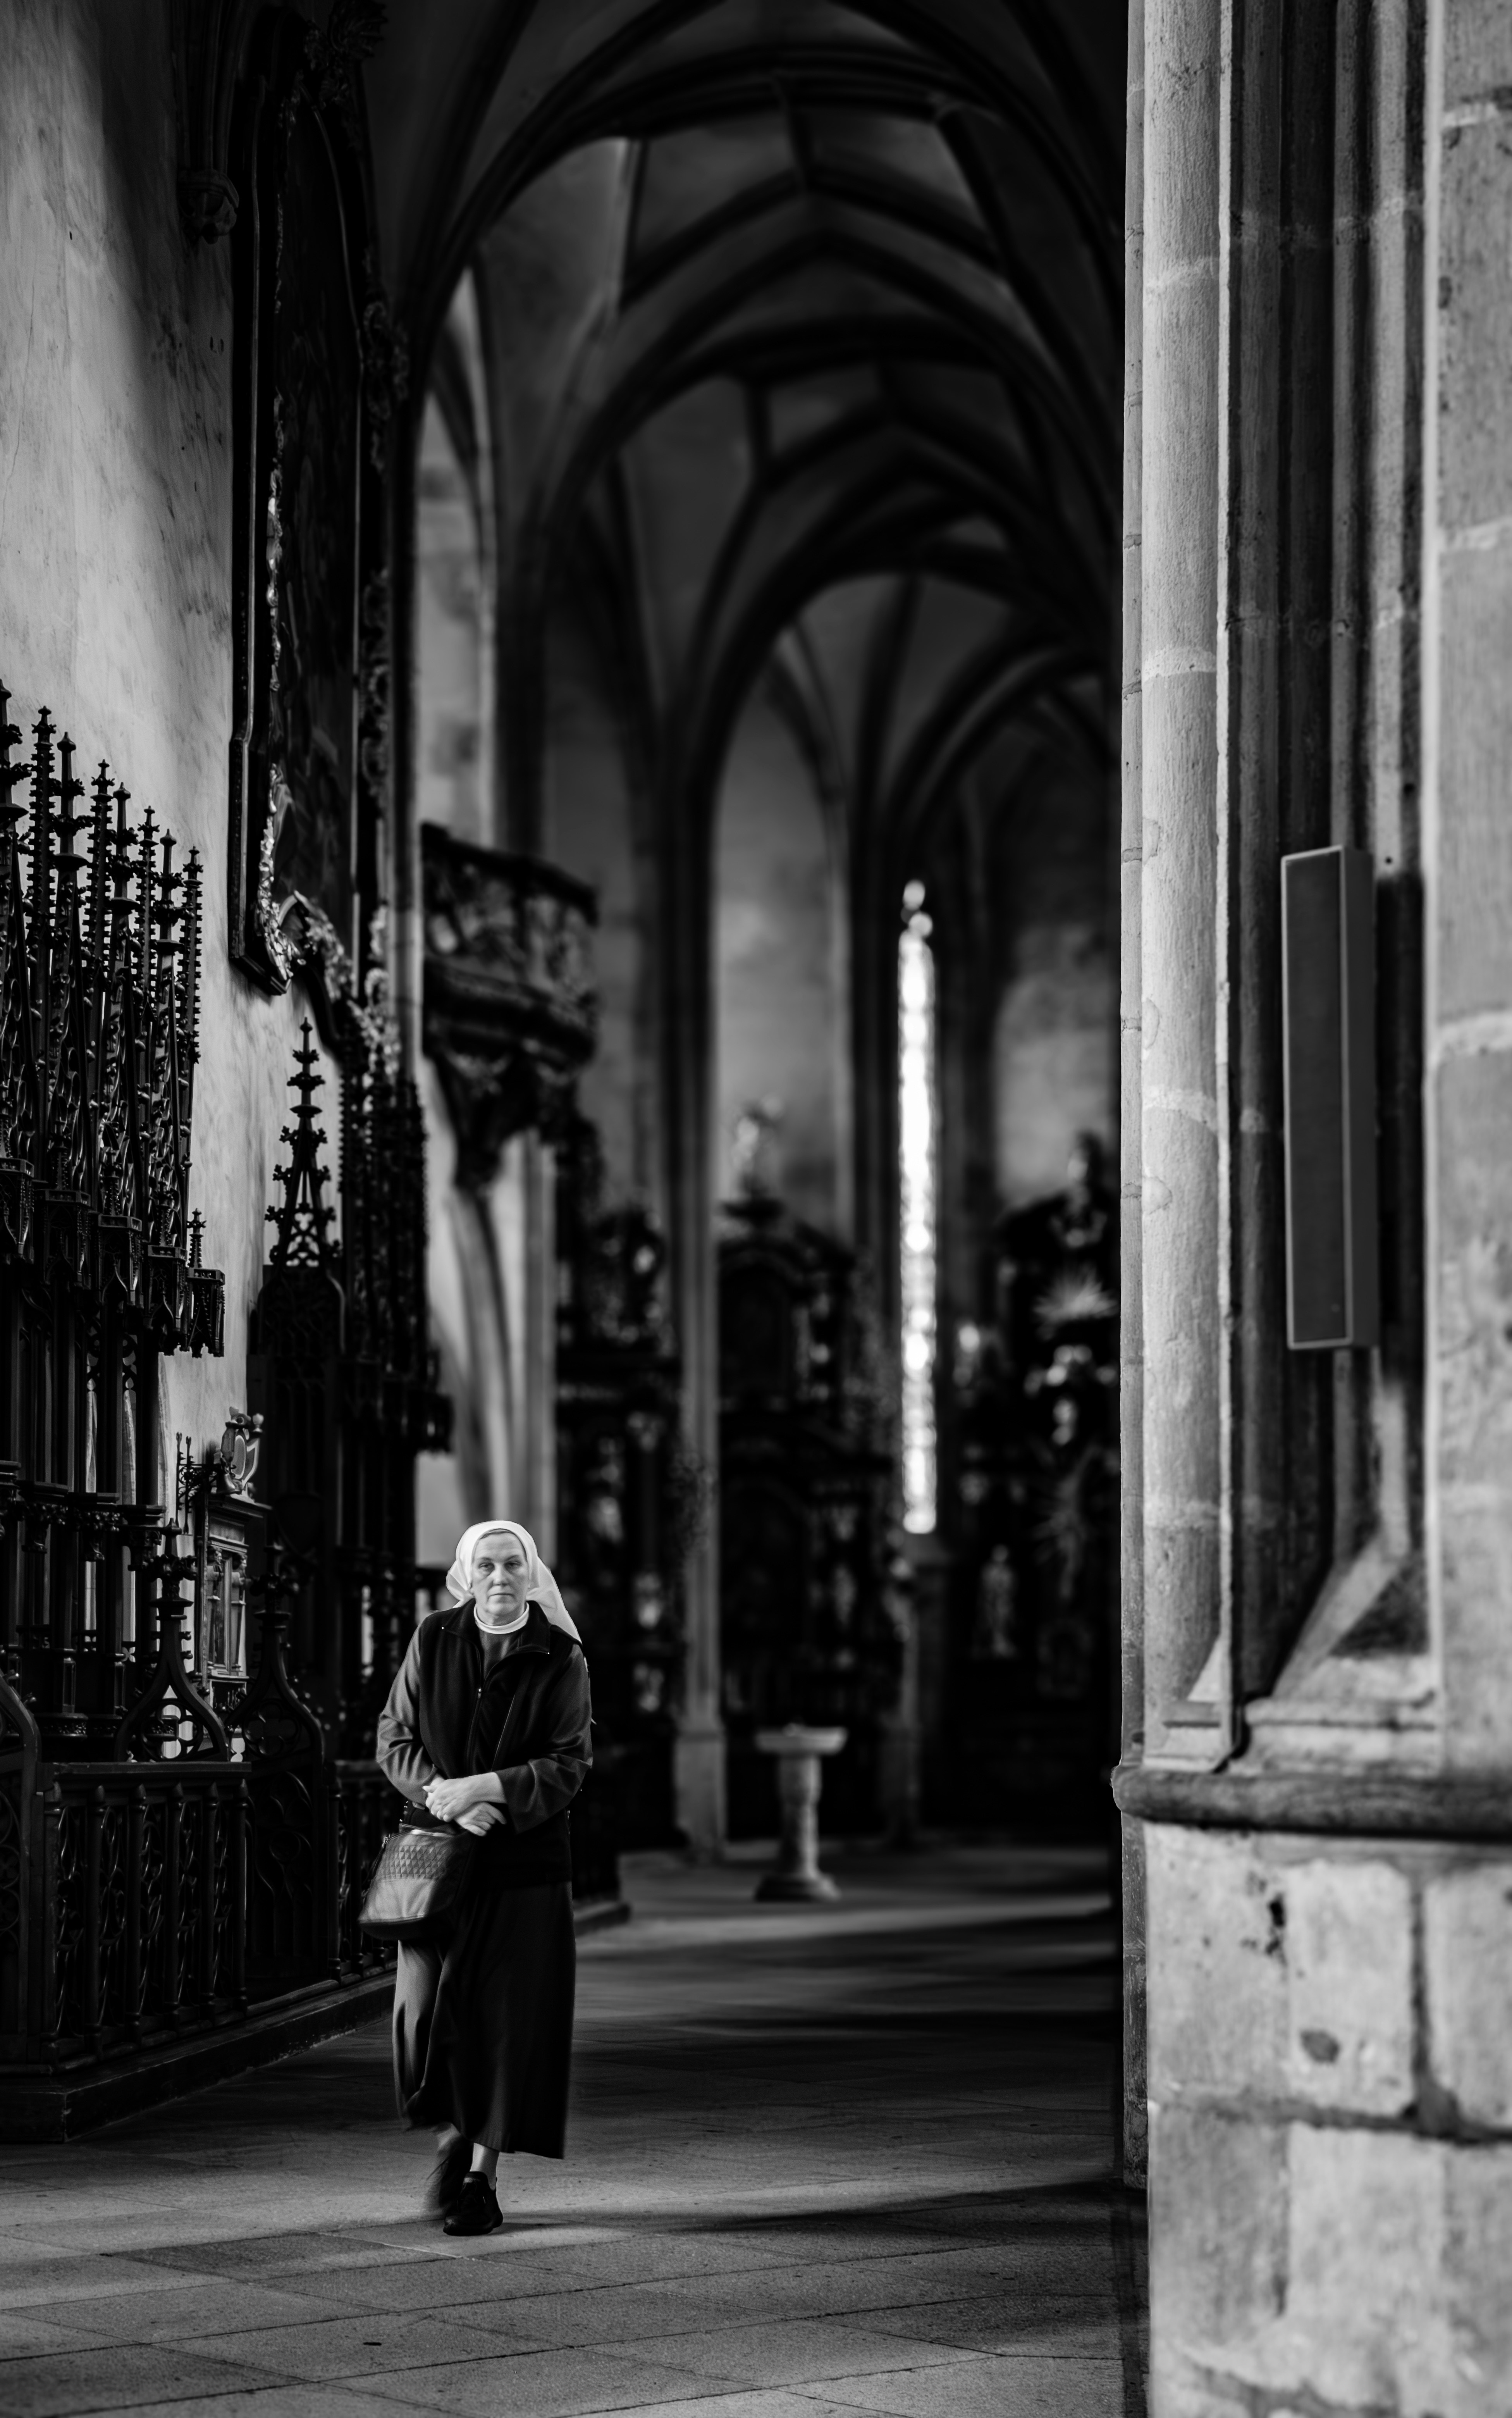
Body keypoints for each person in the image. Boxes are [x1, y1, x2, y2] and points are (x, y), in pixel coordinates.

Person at [375, 1521, 591, 2235]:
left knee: (503, 2024)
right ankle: (452, 2133)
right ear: (468, 1573)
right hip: (434, 1850)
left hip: (524, 1865)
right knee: (420, 2012)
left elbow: (569, 1763)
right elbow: (393, 1735)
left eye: (514, 1565)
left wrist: (488, 1790)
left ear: (533, 1575)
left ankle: (480, 2179)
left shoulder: (560, 1656)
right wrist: (446, 1795)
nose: (501, 1577)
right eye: (488, 1565)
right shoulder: (435, 1636)